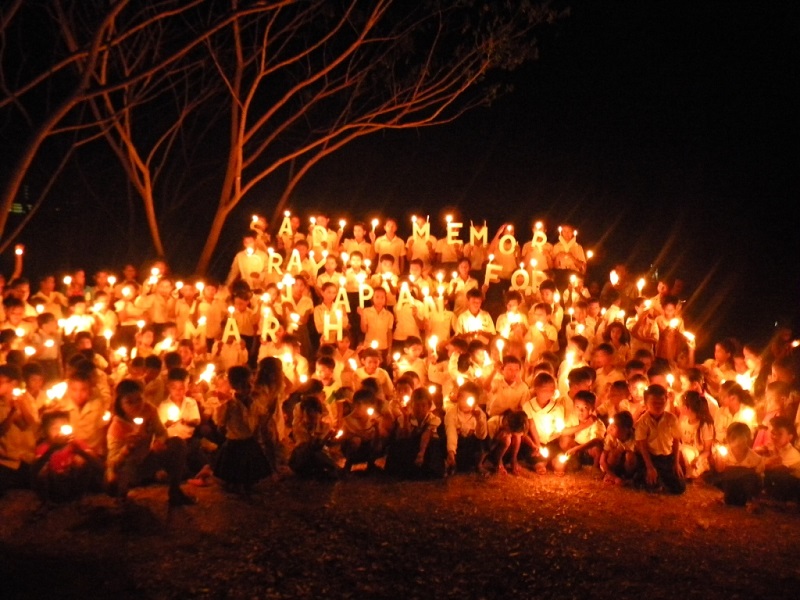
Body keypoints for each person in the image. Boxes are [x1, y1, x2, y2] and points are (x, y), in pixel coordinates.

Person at [105, 379, 196, 506]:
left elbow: (162, 432)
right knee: (115, 482)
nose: (136, 405)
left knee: (177, 444)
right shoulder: (117, 428)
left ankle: (175, 491)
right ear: (120, 405)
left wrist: (158, 441)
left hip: (147, 459)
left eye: (139, 399)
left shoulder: (149, 411)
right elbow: (113, 463)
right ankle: (121, 497)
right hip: (127, 468)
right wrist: (127, 448)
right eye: (129, 402)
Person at [213, 366, 271, 494]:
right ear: (236, 386)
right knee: (235, 466)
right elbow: (221, 422)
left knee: (249, 466)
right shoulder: (229, 405)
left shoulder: (253, 402)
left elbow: (261, 414)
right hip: (235, 441)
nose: (250, 387)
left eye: (250, 383)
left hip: (249, 439)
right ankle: (235, 484)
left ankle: (247, 484)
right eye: (245, 385)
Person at [33, 411, 103, 503]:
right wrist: (52, 449)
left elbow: (98, 465)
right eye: (55, 428)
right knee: (43, 471)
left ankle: (78, 498)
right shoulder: (44, 448)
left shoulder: (76, 443)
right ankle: (51, 501)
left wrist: (80, 451)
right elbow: (34, 471)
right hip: (53, 488)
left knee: (81, 461)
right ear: (46, 431)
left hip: (74, 484)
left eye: (63, 426)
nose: (60, 432)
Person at [634, 384, 685, 495]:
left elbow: (676, 441)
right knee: (652, 484)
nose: (658, 406)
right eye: (654, 403)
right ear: (646, 403)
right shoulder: (643, 422)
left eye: (661, 402)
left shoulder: (671, 419)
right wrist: (649, 467)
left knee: (679, 488)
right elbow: (641, 445)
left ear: (666, 401)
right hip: (651, 457)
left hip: (667, 458)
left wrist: (676, 463)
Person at [385, 388, 445, 479]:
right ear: (411, 405)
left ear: (429, 406)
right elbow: (404, 436)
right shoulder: (404, 418)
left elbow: (427, 435)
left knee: (434, 442)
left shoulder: (433, 419)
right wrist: (405, 418)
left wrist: (421, 454)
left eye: (423, 405)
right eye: (417, 405)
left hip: (425, 449)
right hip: (409, 446)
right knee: (401, 444)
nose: (420, 409)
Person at [708, 422, 764, 507]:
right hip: (730, 486)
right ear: (729, 439)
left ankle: (750, 501)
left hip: (745, 488)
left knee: (749, 476)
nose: (738, 442)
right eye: (735, 438)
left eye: (742, 438)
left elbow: (758, 479)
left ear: (748, 439)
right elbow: (720, 470)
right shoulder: (725, 452)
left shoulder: (755, 458)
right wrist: (720, 457)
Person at [289, 396, 341, 479]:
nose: (312, 416)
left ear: (320, 414)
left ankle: (328, 470)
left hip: (318, 457)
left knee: (317, 454)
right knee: (312, 451)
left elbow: (325, 445)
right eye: (309, 413)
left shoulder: (325, 427)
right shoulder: (299, 428)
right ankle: (334, 468)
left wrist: (330, 438)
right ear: (303, 414)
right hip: (302, 458)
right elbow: (305, 445)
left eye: (315, 412)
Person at [444, 382, 488, 474]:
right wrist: (451, 452)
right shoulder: (451, 413)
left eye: (468, 399)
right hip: (457, 446)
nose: (464, 402)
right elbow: (451, 433)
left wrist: (479, 419)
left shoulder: (479, 414)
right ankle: (451, 463)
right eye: (462, 397)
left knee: (484, 442)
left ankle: (478, 464)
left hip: (471, 445)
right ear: (458, 397)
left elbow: (482, 436)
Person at [760, 416, 800, 502]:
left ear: (790, 437)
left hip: (793, 489)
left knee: (778, 474)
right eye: (773, 433)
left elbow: (773, 468)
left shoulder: (793, 454)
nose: (774, 437)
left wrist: (765, 462)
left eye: (779, 434)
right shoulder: (772, 447)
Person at [678, 390, 715, 479]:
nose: (679, 406)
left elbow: (707, 451)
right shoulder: (683, 421)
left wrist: (698, 460)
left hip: (697, 455)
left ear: (687, 408)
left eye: (681, 404)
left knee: (684, 455)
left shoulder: (705, 425)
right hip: (683, 450)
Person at [599, 410, 636, 485]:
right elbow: (602, 461)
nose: (610, 429)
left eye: (614, 427)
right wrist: (614, 477)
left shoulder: (635, 439)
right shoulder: (611, 438)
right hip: (613, 467)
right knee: (613, 453)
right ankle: (611, 475)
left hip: (627, 467)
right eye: (611, 425)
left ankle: (628, 478)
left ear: (625, 429)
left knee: (629, 456)